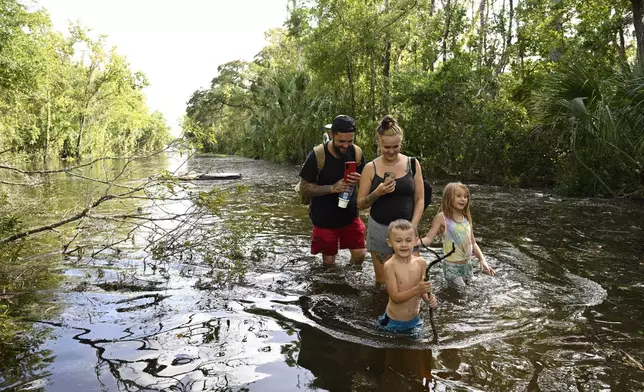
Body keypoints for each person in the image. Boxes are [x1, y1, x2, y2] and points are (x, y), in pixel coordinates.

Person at [357, 115, 424, 285]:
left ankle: (409, 311)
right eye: (387, 147)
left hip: (407, 231)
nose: (392, 151)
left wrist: (413, 227)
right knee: (383, 282)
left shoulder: (413, 164)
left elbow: (420, 199)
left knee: (412, 280)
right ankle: (383, 311)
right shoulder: (370, 168)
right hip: (380, 229)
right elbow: (360, 204)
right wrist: (377, 192)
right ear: (378, 142)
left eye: (396, 146)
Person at [298, 115, 367, 267]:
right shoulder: (317, 155)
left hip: (350, 215)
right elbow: (304, 188)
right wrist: (332, 188)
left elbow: (367, 182)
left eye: (350, 141)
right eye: (341, 141)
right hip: (324, 218)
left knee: (360, 255)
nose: (346, 145)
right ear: (332, 135)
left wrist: (359, 180)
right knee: (329, 264)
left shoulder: (357, 153)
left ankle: (351, 283)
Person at [418, 182, 494, 290]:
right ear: (449, 198)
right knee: (463, 292)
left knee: (471, 291)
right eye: (458, 196)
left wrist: (482, 259)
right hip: (451, 267)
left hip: (467, 266)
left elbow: (473, 243)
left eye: (465, 196)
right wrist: (412, 242)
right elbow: (428, 239)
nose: (463, 199)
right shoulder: (442, 217)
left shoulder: (466, 218)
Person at [378, 219, 437, 333]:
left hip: (415, 320)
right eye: (399, 241)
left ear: (415, 241)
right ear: (390, 242)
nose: (404, 245)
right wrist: (417, 290)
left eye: (408, 240)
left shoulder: (421, 263)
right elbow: (395, 298)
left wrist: (429, 299)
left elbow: (422, 290)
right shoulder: (390, 265)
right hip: (394, 322)